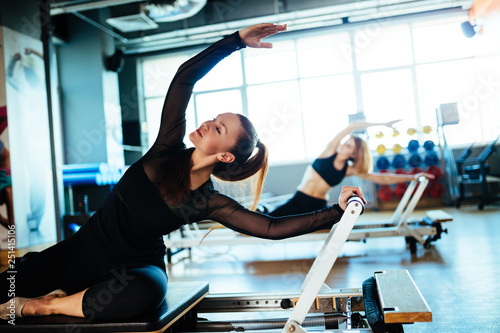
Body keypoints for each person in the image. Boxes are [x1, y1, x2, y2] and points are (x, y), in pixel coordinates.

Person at [0, 23, 366, 322]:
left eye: (218, 128)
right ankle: (65, 294)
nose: (208, 122)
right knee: (9, 284)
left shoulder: (206, 202)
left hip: (134, 270)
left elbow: (270, 229)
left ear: (224, 156)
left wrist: (336, 211)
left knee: (148, 292)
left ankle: (43, 305)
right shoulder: (166, 148)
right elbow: (184, 79)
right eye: (215, 118)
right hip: (80, 253)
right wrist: (236, 42)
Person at [268, 121, 434, 217]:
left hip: (318, 204)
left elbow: (382, 178)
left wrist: (412, 177)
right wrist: (382, 124)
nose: (344, 146)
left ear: (354, 155)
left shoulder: (349, 170)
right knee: (269, 221)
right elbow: (352, 126)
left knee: (329, 229)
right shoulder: (329, 152)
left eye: (349, 147)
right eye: (346, 143)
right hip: (299, 200)